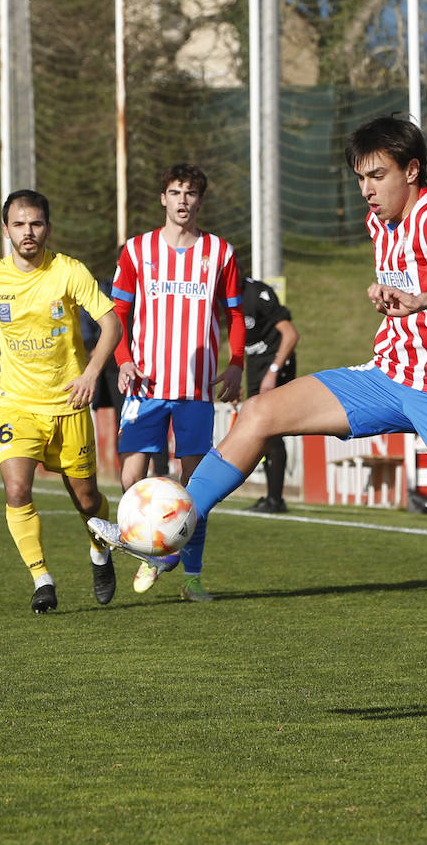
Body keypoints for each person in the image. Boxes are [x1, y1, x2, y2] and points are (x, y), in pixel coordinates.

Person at [94, 115, 427, 724]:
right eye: (360, 177)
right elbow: (402, 281)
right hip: (389, 375)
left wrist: (420, 298)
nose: (366, 189)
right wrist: (389, 297)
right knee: (259, 412)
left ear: (411, 171)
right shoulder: (381, 220)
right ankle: (171, 537)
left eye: (377, 175)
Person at [0, 190, 122, 613]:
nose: (27, 232)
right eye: (19, 224)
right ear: (5, 229)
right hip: (17, 405)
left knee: (86, 500)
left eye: (35, 224)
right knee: (16, 489)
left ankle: (100, 551)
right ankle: (42, 579)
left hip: (69, 404)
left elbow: (111, 324)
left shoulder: (69, 271)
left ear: (47, 227)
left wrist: (90, 374)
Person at [103, 163, 245, 601]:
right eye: (175, 192)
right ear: (163, 198)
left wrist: (236, 364)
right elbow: (118, 315)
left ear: (200, 201)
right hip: (144, 386)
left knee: (195, 487)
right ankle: (151, 551)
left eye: (191, 193)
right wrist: (123, 361)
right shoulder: (136, 250)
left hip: (195, 391)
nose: (183, 200)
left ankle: (192, 579)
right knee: (132, 481)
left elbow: (235, 314)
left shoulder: (220, 253)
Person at [242, 275, 300, 513]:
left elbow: (290, 334)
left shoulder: (257, 294)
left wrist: (273, 371)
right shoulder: (223, 297)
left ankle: (276, 499)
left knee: (272, 432)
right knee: (262, 435)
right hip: (256, 368)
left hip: (275, 367)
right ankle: (270, 496)